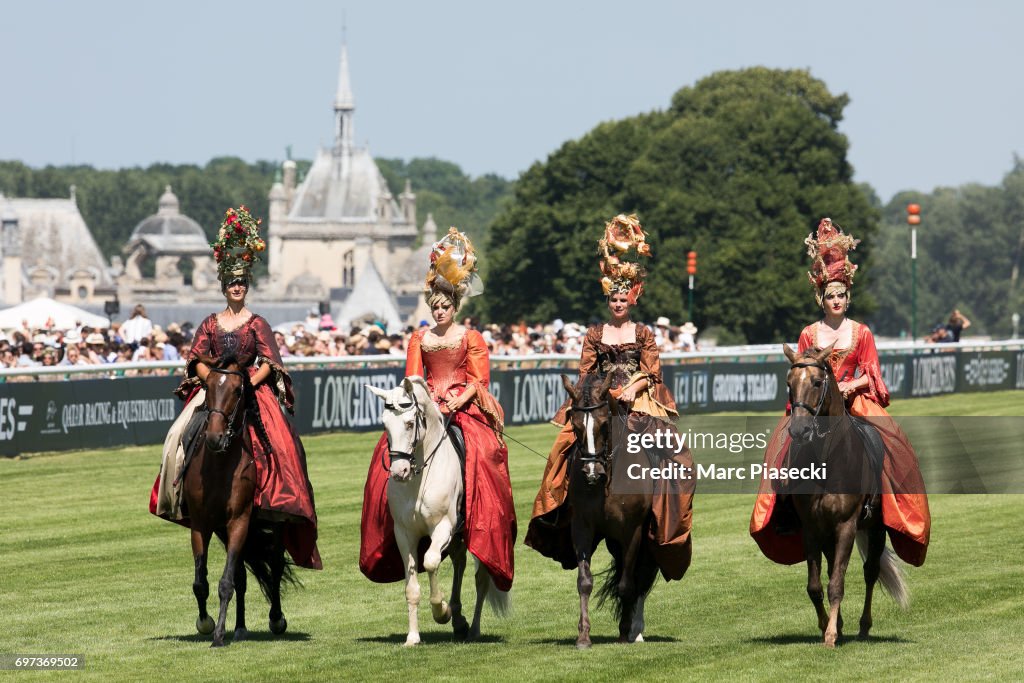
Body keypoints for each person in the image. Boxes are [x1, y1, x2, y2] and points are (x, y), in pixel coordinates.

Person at [750, 217, 931, 567]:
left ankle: (885, 504)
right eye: (831, 295)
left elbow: (873, 373)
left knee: (894, 448)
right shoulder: (808, 334)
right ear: (822, 297)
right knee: (780, 453)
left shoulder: (861, 332)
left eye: (841, 295)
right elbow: (802, 371)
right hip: (814, 408)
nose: (836, 300)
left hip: (855, 403)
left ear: (848, 298)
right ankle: (787, 513)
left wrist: (850, 384)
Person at [149, 206, 321, 571]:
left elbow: (271, 362)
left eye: (242, 283)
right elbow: (196, 356)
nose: (237, 288)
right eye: (232, 283)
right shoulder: (211, 322)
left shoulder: (257, 323)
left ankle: (283, 499)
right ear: (224, 287)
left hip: (250, 389)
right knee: (177, 434)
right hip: (216, 389)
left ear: (247, 286)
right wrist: (212, 379)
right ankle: (175, 492)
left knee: (282, 442)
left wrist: (245, 382)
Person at [524, 213, 694, 581]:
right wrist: (601, 393)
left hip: (638, 400)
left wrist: (631, 389)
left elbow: (652, 372)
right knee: (562, 449)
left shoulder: (644, 332)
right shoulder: (594, 333)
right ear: (608, 299)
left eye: (623, 298)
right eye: (613, 298)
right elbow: (586, 373)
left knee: (674, 453)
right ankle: (556, 511)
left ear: (631, 298)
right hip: (600, 399)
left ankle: (665, 523)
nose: (618, 304)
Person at [360, 227, 516, 591]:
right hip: (428, 403)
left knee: (485, 452)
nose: (440, 311)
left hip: (463, 404)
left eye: (445, 306)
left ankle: (480, 518)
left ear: (455, 307)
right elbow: (412, 379)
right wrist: (426, 403)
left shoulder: (471, 338)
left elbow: (480, 381)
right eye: (435, 307)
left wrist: (461, 398)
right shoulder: (419, 337)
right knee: (385, 452)